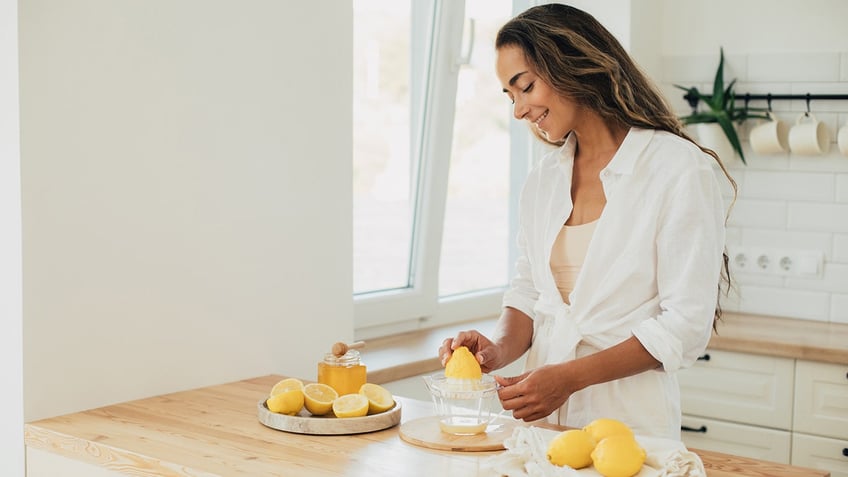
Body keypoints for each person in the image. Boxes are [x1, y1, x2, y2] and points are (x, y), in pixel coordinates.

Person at [438, 3, 732, 440]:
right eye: (510, 96)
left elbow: (684, 326)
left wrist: (570, 378)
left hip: (629, 426)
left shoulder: (675, 167)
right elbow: (529, 290)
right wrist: (496, 350)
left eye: (525, 87)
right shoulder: (544, 179)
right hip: (542, 425)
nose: (519, 110)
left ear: (570, 64)